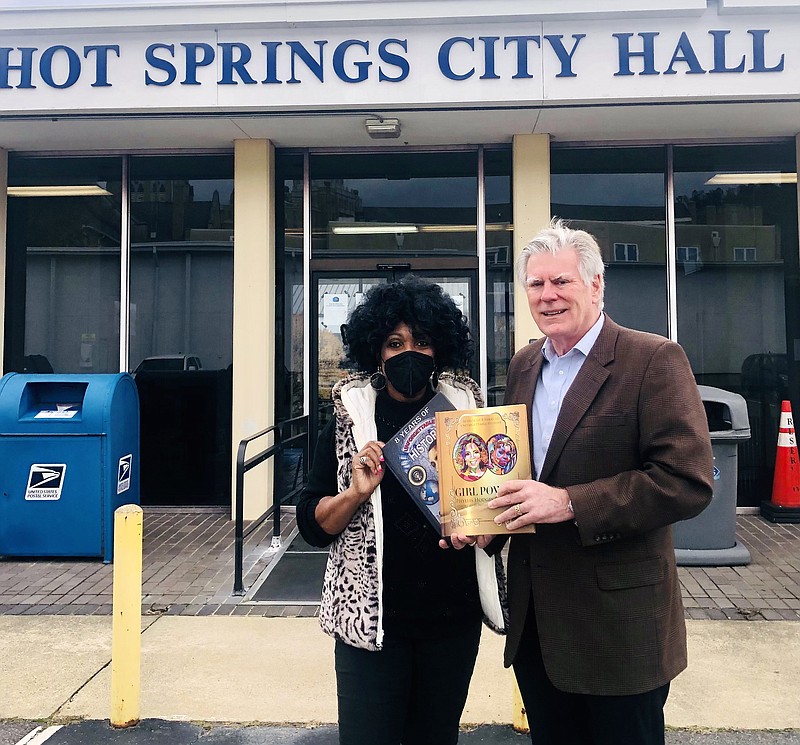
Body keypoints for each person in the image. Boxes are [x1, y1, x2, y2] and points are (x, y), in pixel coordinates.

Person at [486, 219, 714, 745]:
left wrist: (570, 503)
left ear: (595, 285)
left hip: (619, 628)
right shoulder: (524, 365)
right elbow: (520, 475)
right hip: (538, 625)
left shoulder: (652, 359)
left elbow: (687, 479)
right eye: (536, 284)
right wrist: (484, 523)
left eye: (561, 282)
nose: (548, 296)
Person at [297, 275, 506, 745]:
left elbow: (495, 516)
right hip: (372, 629)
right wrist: (354, 492)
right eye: (395, 343)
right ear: (377, 351)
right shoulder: (349, 421)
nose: (408, 353)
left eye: (422, 341)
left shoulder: (465, 416)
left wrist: (489, 532)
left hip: (451, 624)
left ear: (441, 350)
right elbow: (312, 525)